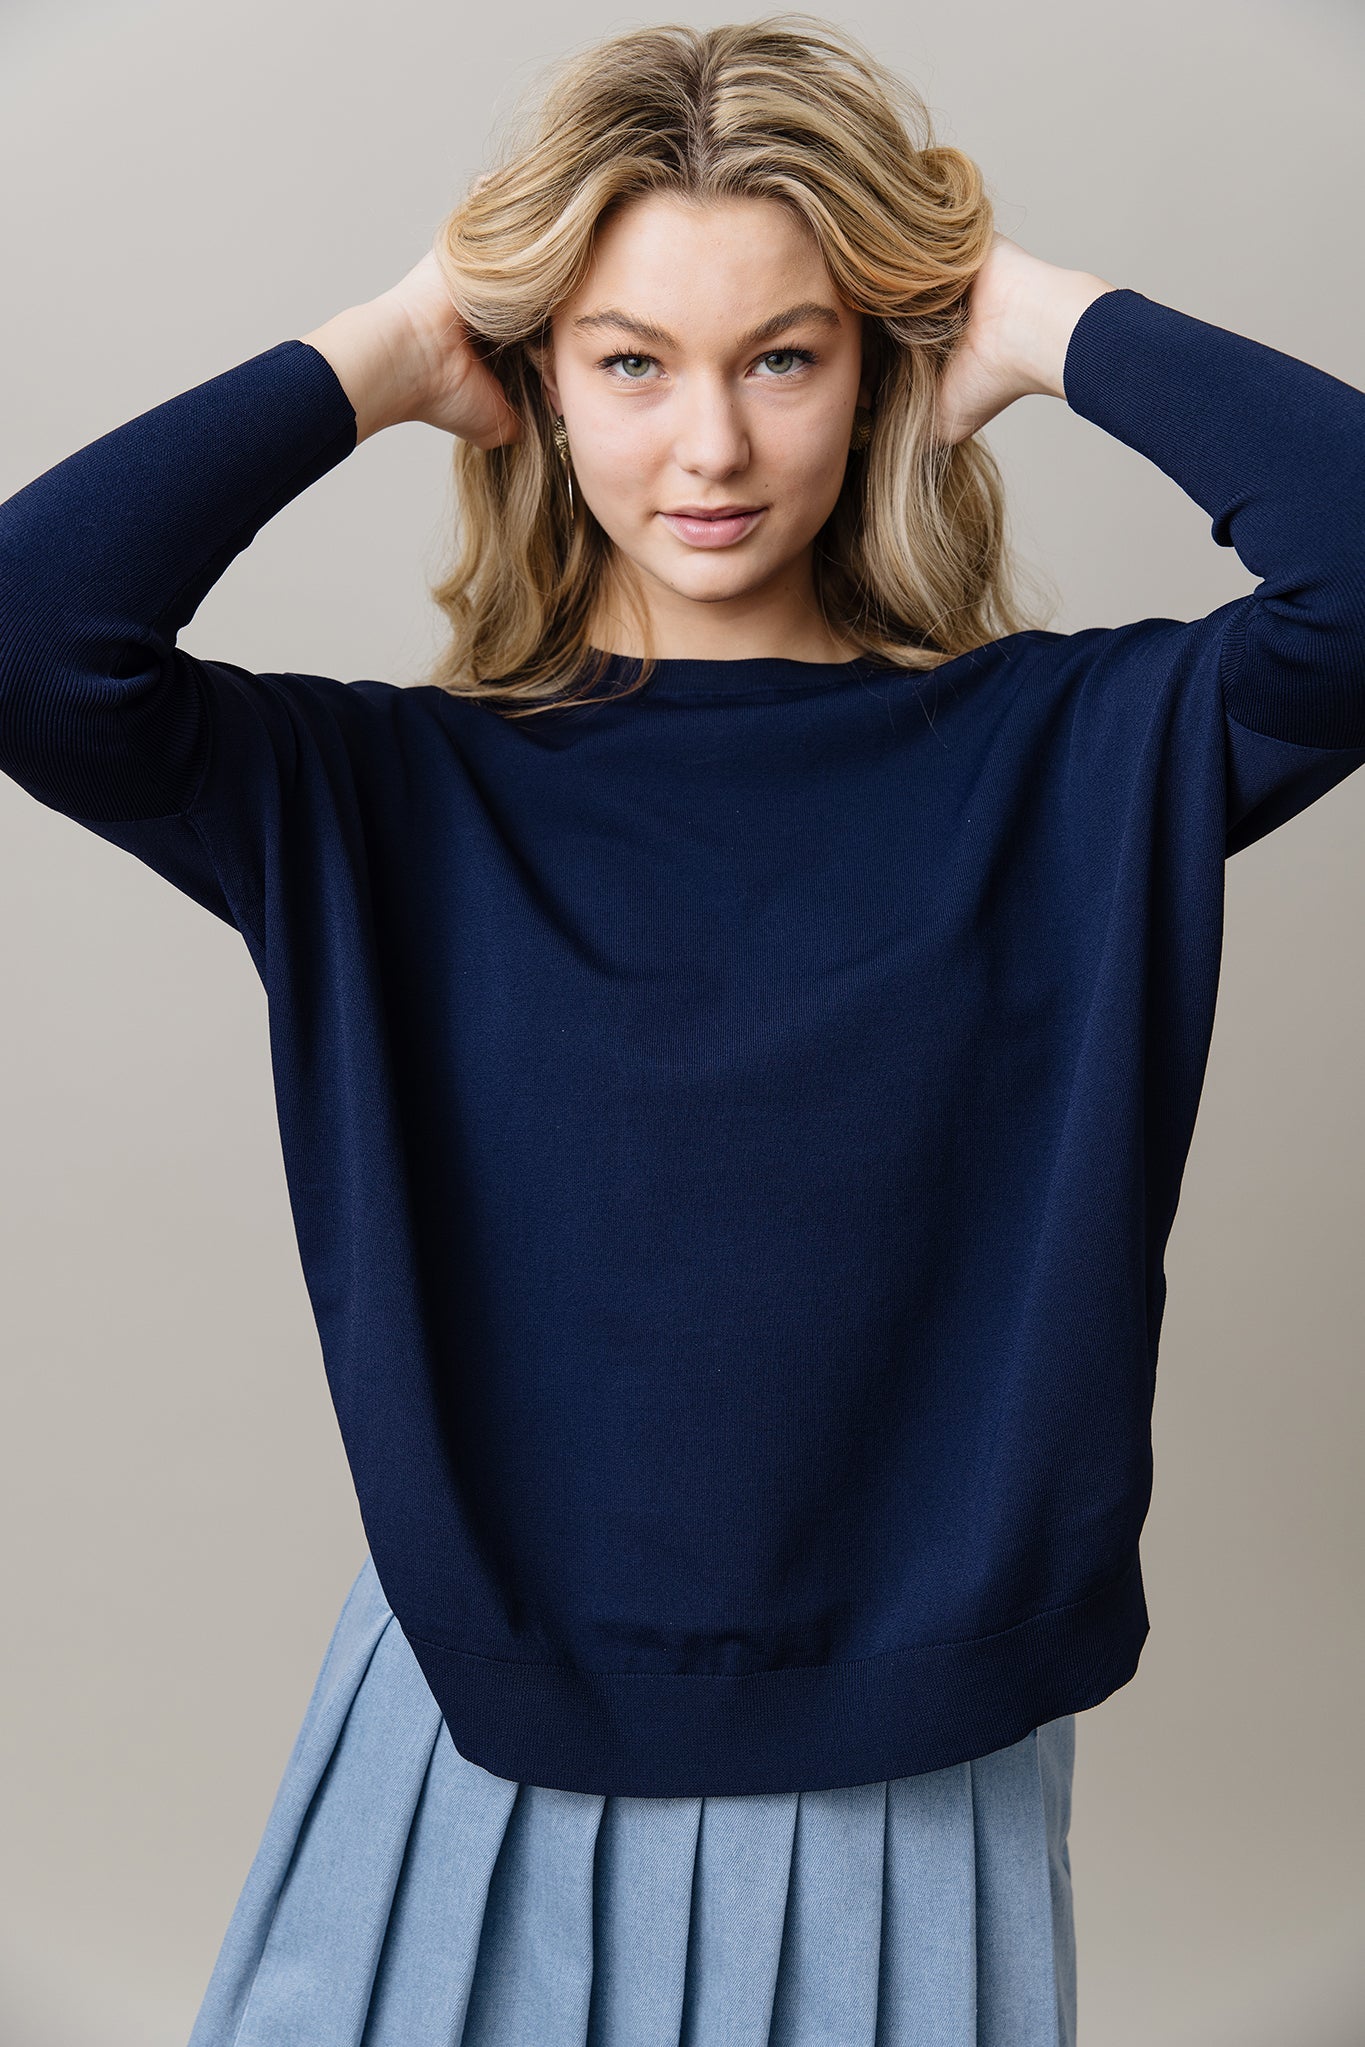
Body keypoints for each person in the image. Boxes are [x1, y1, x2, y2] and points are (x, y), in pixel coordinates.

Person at [2, 15, 1362, 2045]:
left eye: (781, 356)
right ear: (538, 385)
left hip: (913, 1757)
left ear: (875, 366)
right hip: (469, 1730)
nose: (709, 449)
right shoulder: (385, 800)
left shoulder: (1074, 757)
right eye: (630, 362)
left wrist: (1025, 314)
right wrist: (393, 345)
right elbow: (33, 636)